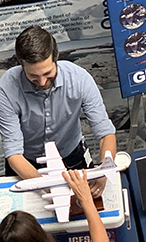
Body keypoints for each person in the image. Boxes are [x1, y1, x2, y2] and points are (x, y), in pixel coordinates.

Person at [0, 26, 116, 197]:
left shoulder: (79, 79)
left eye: (47, 73)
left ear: (56, 57)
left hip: (71, 156)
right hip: (26, 163)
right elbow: (14, 153)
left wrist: (105, 171)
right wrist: (48, 187)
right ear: (21, 64)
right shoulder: (7, 87)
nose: (41, 82)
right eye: (33, 76)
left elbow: (105, 132)